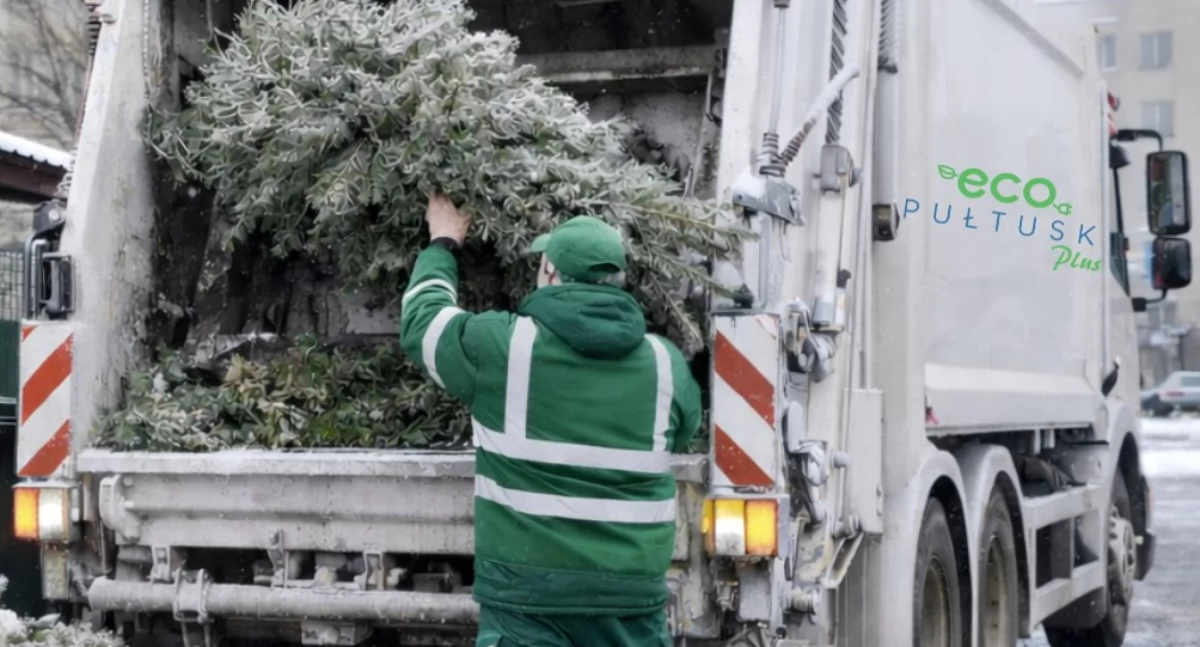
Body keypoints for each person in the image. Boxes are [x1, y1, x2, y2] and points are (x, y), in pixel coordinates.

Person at [400, 193, 702, 647]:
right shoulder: (666, 365)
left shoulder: (505, 348)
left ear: (551, 272)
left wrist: (442, 241)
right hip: (628, 597)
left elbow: (423, 324)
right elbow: (684, 431)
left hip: (528, 598)